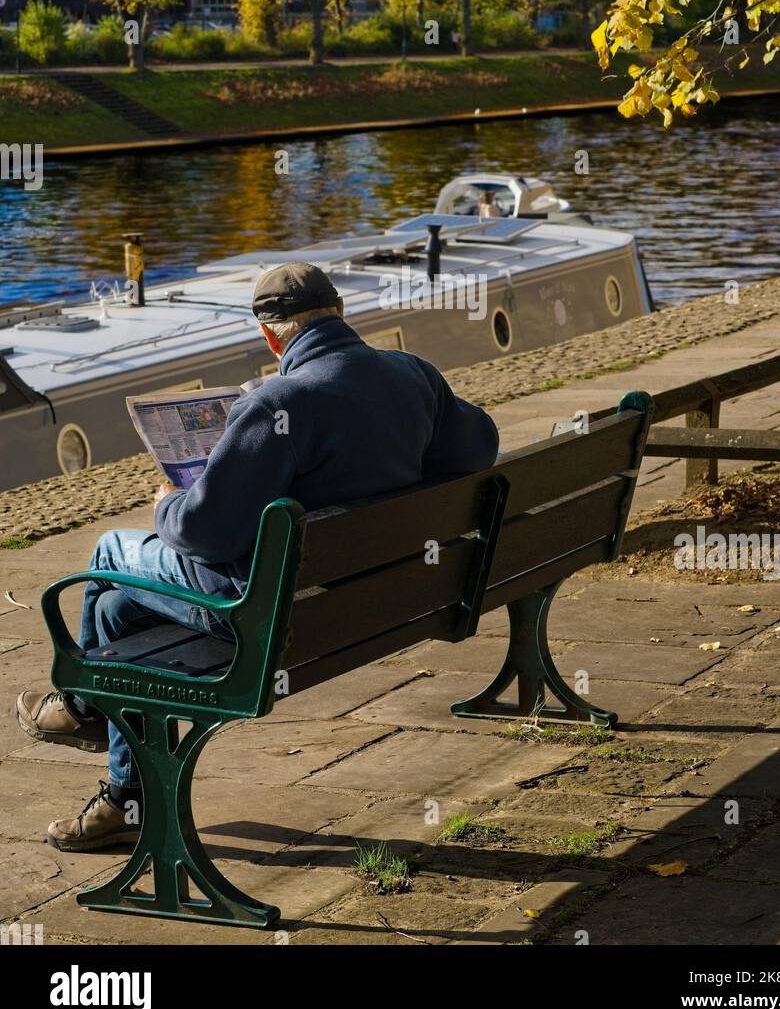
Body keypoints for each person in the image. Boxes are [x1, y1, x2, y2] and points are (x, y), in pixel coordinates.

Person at [16, 263, 499, 852]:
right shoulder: (412, 374)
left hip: (270, 614)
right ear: (341, 311)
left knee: (110, 548)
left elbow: (205, 534)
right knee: (118, 611)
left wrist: (169, 503)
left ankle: (81, 703)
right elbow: (479, 446)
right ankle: (126, 799)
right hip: (366, 603)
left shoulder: (278, 401)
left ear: (270, 336)